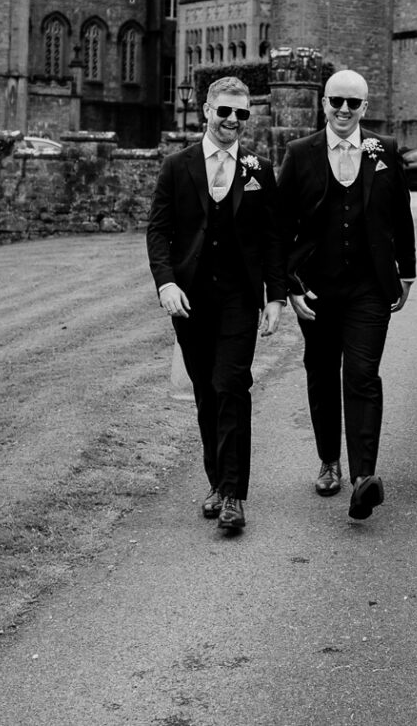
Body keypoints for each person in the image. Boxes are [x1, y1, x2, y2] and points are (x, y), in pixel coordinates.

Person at [146, 76, 285, 534]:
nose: (232, 121)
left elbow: (272, 238)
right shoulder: (177, 166)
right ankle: (215, 481)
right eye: (224, 111)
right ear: (207, 111)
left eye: (241, 114)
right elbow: (159, 233)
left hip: (239, 299)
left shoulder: (259, 169)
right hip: (191, 299)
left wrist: (276, 296)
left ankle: (234, 496)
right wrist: (166, 284)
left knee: (232, 387)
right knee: (206, 392)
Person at [275, 68, 416, 521]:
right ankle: (329, 461)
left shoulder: (385, 150)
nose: (343, 110)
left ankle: (363, 477)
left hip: (370, 288)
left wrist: (407, 273)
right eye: (336, 100)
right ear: (323, 102)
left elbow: (402, 215)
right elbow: (280, 229)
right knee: (321, 373)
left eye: (353, 103)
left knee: (361, 374)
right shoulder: (300, 154)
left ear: (365, 107)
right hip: (315, 288)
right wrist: (288, 287)